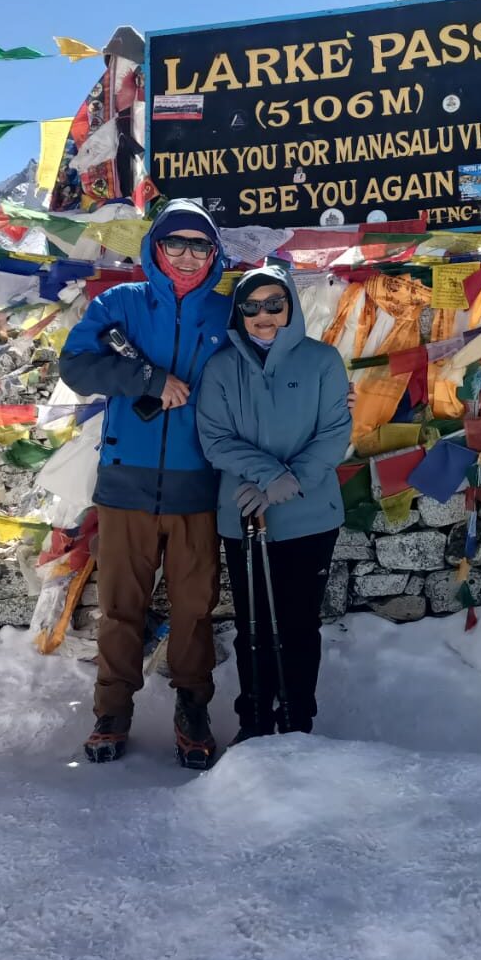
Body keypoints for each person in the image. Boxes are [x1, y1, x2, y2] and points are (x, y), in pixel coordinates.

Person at [59, 200, 232, 767]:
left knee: (194, 609)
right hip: (126, 484)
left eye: (199, 245)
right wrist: (148, 379)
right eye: (175, 244)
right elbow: (77, 367)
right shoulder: (120, 304)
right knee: (121, 607)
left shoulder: (227, 316)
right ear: (155, 248)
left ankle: (192, 709)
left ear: (215, 254)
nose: (187, 256)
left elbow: (260, 381)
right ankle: (111, 712)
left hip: (196, 487)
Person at [196, 264, 351, 741]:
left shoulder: (322, 361)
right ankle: (255, 719)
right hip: (244, 512)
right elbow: (214, 437)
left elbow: (335, 433)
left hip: (309, 515)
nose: (264, 315)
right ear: (239, 313)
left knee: (300, 623)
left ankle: (298, 717)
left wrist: (291, 482)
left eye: (274, 304)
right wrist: (269, 476)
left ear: (290, 307)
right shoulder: (222, 366)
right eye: (252, 307)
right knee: (253, 625)